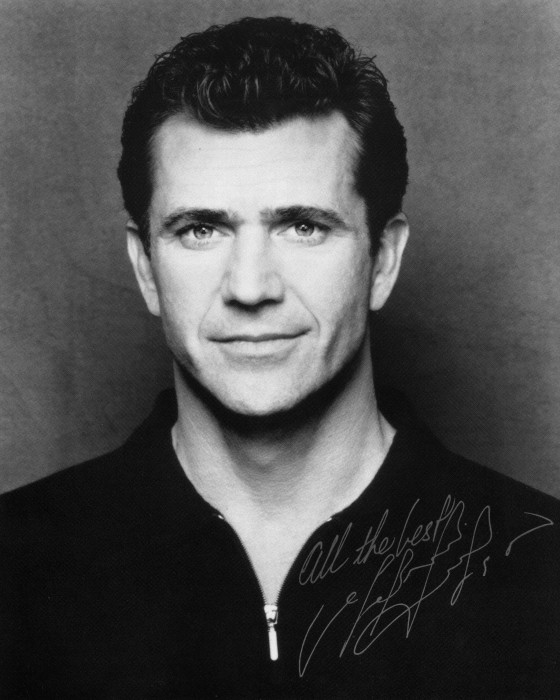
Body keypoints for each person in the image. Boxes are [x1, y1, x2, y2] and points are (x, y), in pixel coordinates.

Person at [1, 16, 559, 698]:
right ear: (146, 268)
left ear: (383, 260)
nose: (250, 288)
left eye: (303, 226)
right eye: (200, 230)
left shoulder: (541, 565)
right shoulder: (17, 566)